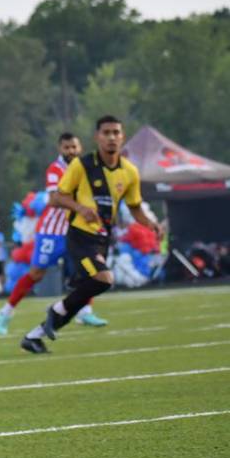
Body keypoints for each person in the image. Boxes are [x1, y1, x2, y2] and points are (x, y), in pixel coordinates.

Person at [21, 116, 161, 353]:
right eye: (106, 133)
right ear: (97, 137)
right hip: (79, 236)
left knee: (83, 296)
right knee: (104, 279)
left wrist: (150, 223)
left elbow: (135, 206)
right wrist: (80, 208)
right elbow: (57, 198)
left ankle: (34, 336)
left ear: (122, 137)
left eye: (116, 132)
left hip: (102, 238)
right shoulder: (82, 165)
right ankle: (56, 310)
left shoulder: (129, 172)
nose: (111, 137)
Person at [0, 133, 106, 334]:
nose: (71, 151)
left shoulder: (87, 167)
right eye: (67, 148)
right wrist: (81, 206)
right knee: (36, 274)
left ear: (80, 147)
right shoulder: (55, 169)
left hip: (77, 230)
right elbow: (55, 199)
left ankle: (85, 312)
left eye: (74, 147)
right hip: (52, 232)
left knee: (89, 270)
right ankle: (5, 312)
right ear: (60, 149)